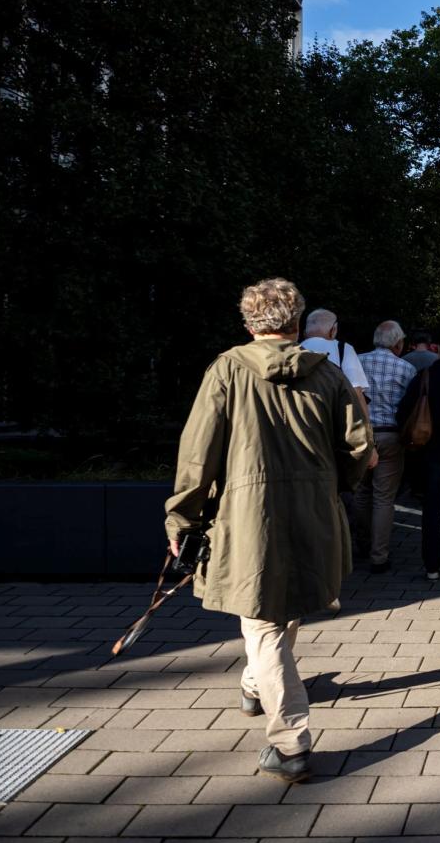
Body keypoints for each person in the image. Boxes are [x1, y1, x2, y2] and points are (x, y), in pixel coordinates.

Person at [165, 279, 374, 784]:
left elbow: (198, 454)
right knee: (281, 614)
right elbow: (361, 447)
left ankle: (291, 743)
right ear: (297, 323)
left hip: (245, 516)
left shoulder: (227, 371)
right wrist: (332, 486)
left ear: (249, 323)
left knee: (262, 620)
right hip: (312, 513)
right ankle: (256, 686)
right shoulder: (326, 375)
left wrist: (183, 517)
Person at [399, 328, 440, 581]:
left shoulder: (425, 375)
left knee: (431, 506)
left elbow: (406, 408)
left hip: (431, 446)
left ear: (437, 348)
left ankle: (432, 564)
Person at [355, 321, 417, 573]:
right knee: (384, 498)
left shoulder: (357, 362)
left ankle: (362, 542)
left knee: (361, 492)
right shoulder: (406, 368)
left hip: (360, 436)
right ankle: (379, 555)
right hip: (390, 436)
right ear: (397, 344)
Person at [299, 308, 371, 400]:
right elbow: (355, 391)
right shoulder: (343, 349)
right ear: (333, 330)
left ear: (304, 332)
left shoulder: (294, 349)